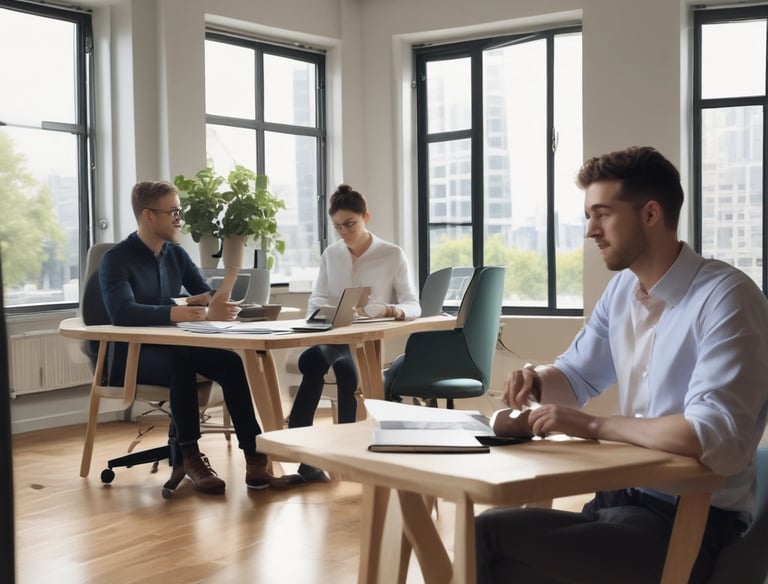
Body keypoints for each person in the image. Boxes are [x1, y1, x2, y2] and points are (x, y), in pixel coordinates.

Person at [475, 146, 768, 583]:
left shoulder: (728, 298)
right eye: (588, 216)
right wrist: (536, 381)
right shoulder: (621, 292)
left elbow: (712, 435)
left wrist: (594, 426)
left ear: (650, 214)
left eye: (602, 214)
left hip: (693, 520)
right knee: (490, 536)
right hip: (621, 500)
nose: (589, 231)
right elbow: (576, 376)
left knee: (488, 538)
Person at [100, 180, 295, 494]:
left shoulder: (176, 254)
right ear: (149, 216)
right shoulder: (116, 259)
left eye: (180, 211)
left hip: (177, 349)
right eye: (173, 212)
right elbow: (122, 312)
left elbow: (205, 295)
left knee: (230, 363)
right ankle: (189, 457)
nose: (180, 219)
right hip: (132, 358)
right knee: (180, 360)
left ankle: (255, 459)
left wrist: (222, 304)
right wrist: (182, 311)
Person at [288, 184, 421, 482]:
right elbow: (316, 299)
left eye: (350, 224)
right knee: (316, 361)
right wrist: (330, 311)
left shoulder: (391, 254)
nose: (344, 232)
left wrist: (389, 309)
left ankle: (337, 456)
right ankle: (304, 457)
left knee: (342, 369)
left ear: (366, 217)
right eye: (337, 226)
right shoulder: (331, 254)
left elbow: (414, 304)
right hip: (334, 332)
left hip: (366, 339)